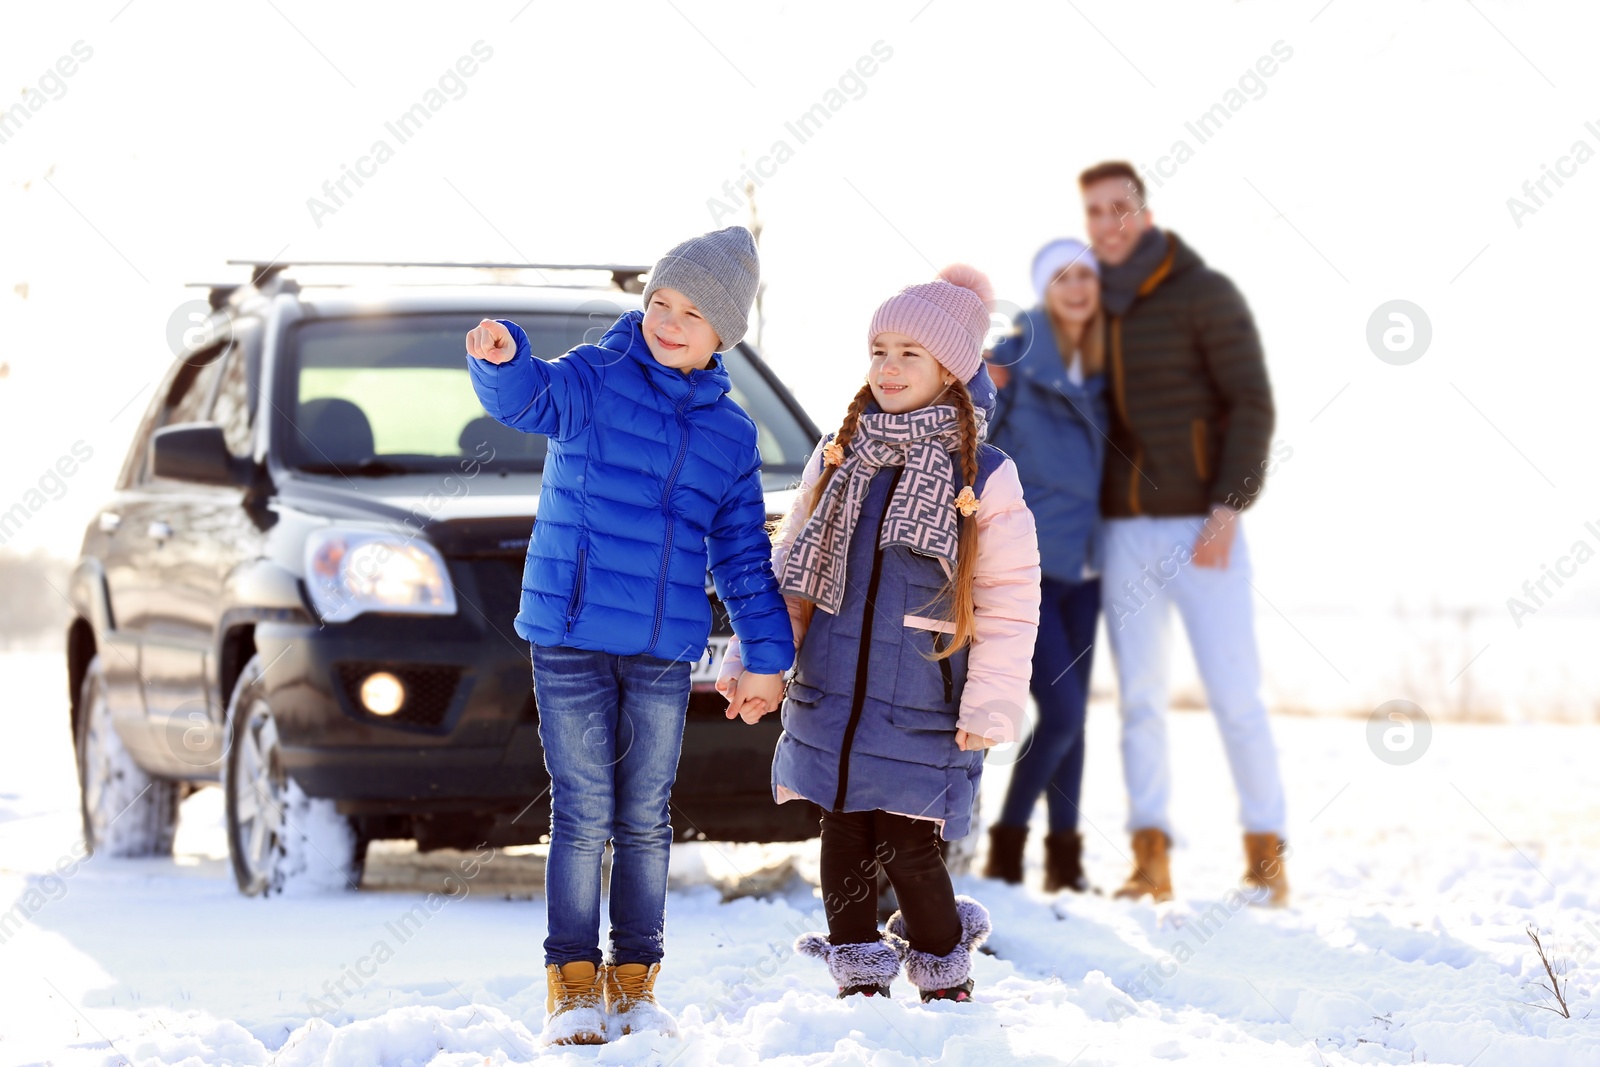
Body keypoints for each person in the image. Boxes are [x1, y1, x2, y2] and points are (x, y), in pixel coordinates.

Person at [464, 226, 796, 1044]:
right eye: (660, 301)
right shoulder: (594, 377)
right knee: (584, 810)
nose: (669, 319)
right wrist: (501, 362)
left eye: (692, 311)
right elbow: (527, 398)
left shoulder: (729, 436)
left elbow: (743, 557)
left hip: (661, 649)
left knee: (645, 814)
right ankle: (572, 979)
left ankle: (636, 978)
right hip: (570, 633)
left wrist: (770, 654)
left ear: (725, 334)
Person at [717, 266, 1042, 1002]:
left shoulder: (984, 475)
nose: (887, 368)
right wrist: (754, 657)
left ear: (952, 372)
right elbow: (790, 569)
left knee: (907, 841)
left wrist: (991, 703)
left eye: (909, 354)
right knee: (842, 830)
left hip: (922, 692)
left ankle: (943, 973)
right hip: (832, 687)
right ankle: (858, 977)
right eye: (878, 350)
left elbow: (1010, 600)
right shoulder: (840, 453)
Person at [1077, 160, 1290, 906]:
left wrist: (1229, 505)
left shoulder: (1205, 293)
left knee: (1235, 693)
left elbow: (1251, 402)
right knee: (1138, 698)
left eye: (1117, 208)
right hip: (1123, 529)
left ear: (1143, 211)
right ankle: (1149, 859)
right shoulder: (1088, 302)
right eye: (1094, 211)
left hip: (1206, 526)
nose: (1106, 223)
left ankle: (1267, 856)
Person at [981, 237, 1108, 893]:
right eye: (1062, 276)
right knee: (1059, 716)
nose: (1077, 286)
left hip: (1088, 570)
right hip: (1027, 568)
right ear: (1042, 288)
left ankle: (1065, 860)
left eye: (1086, 274)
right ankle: (1007, 845)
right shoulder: (1013, 360)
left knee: (1075, 720)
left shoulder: (1109, 367)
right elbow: (975, 443)